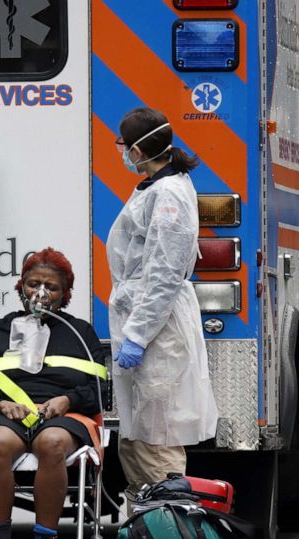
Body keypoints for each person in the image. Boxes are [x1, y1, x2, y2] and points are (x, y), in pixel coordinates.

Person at [0, 248, 108, 539]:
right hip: (8, 418)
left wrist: (67, 400)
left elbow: (101, 392)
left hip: (63, 418)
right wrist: (0, 406)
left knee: (52, 442)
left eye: (51, 287)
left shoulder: (80, 335)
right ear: (21, 287)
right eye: (33, 284)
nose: (40, 293)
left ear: (65, 294)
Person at [106, 106, 218, 512]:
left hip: (156, 328)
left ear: (137, 149)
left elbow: (164, 273)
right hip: (143, 320)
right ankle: (145, 528)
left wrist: (137, 335)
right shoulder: (159, 187)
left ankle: (170, 526)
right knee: (137, 435)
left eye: (122, 144)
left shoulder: (168, 195)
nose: (121, 152)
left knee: (158, 434)